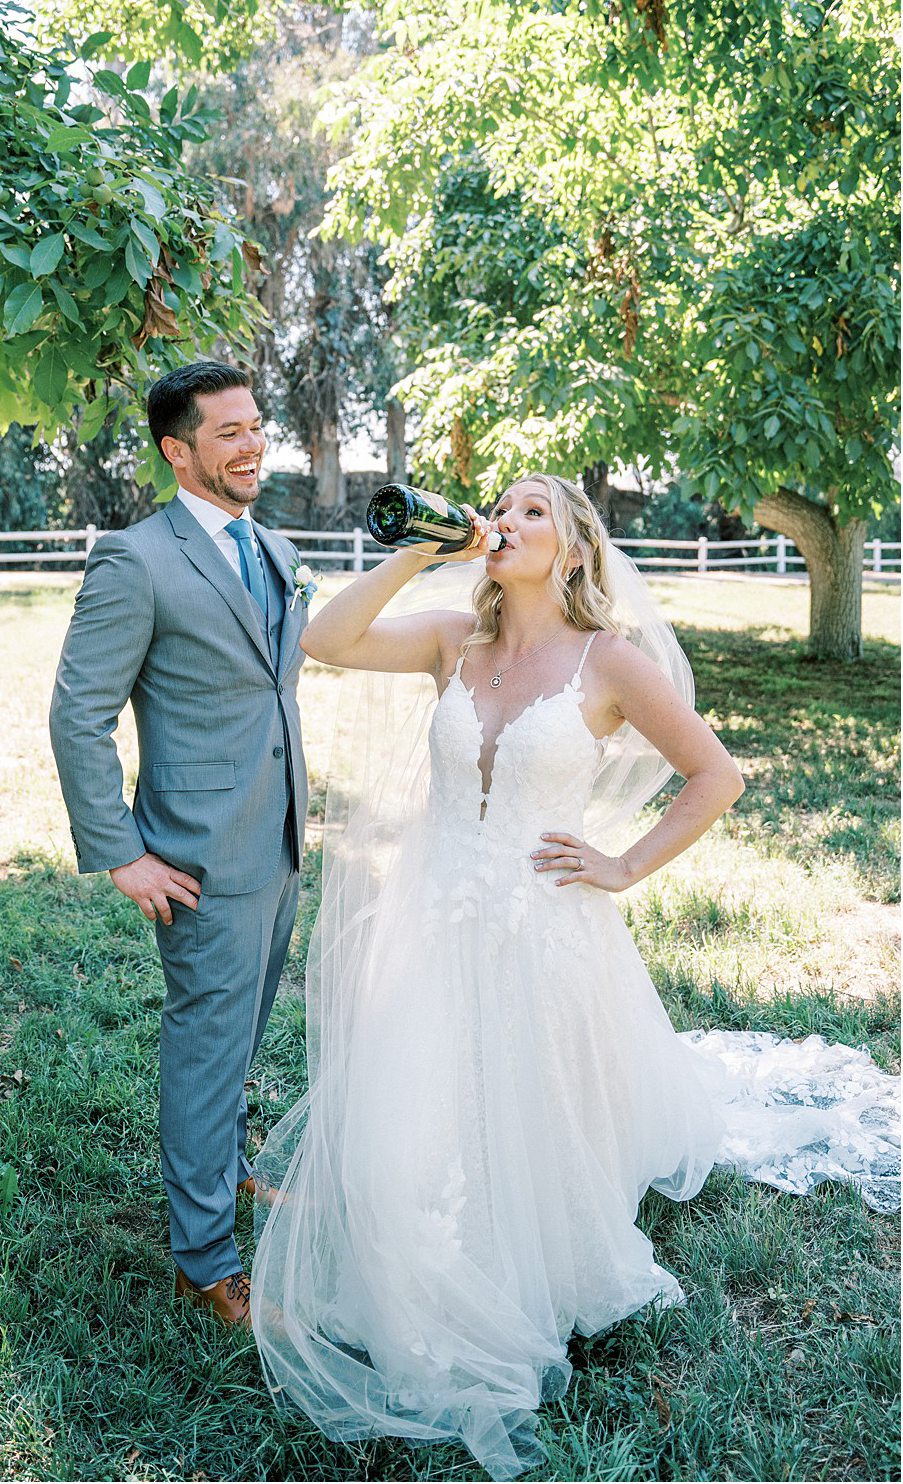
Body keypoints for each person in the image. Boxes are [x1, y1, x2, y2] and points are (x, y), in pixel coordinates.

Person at [249, 473, 899, 1478]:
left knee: (530, 1111)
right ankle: (422, 1241)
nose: (503, 521)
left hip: (543, 928)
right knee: (416, 1111)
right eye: (496, 508)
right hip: (435, 916)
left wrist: (623, 864)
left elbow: (715, 775)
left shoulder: (610, 662)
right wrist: (424, 547)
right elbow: (322, 639)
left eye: (529, 512)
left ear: (575, 549)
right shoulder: (447, 638)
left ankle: (528, 1257)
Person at [50, 360, 309, 1328]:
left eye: (256, 426)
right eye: (228, 432)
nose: (251, 446)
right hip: (197, 851)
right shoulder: (136, 557)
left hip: (276, 835)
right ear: (177, 450)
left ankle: (228, 1169)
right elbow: (79, 713)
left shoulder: (270, 545)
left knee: (237, 1033)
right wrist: (120, 851)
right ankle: (204, 1260)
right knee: (205, 1045)